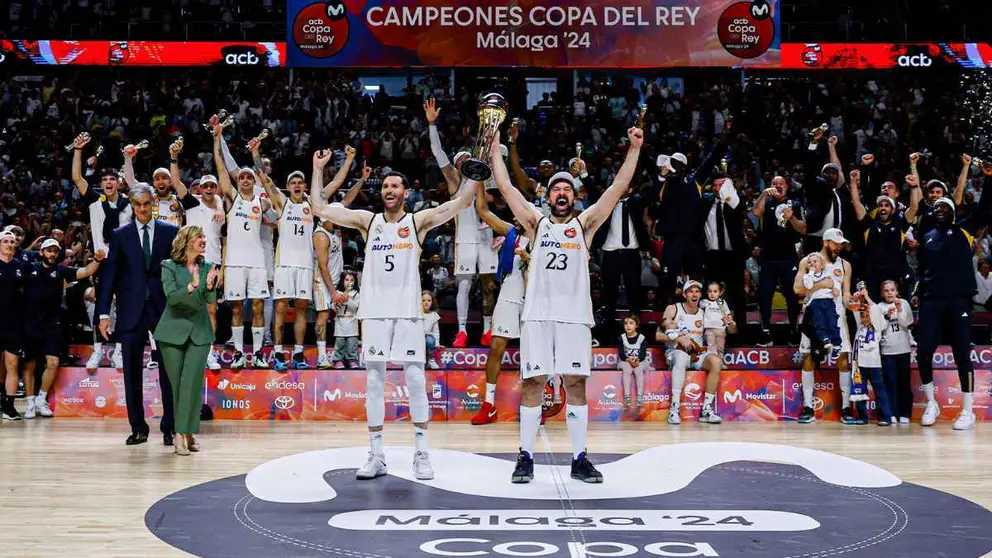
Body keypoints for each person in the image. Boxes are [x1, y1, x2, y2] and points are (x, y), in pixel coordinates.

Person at [310, 147, 479, 481]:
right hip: (374, 314)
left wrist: (474, 174)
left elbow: (461, 203)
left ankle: (421, 454)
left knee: (415, 380)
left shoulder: (418, 221)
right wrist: (318, 170)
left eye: (395, 187)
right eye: (385, 186)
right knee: (374, 382)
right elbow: (317, 207)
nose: (389, 191)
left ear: (406, 192)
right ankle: (376, 455)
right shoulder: (366, 221)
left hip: (407, 314)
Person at [492, 125, 643, 484]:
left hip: (575, 318)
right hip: (538, 317)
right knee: (533, 384)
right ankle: (525, 456)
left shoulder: (585, 225)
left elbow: (616, 189)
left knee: (575, 385)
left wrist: (635, 149)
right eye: (556, 188)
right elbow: (507, 189)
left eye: (567, 189)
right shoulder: (536, 223)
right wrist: (496, 150)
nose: (562, 192)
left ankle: (579, 458)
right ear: (548, 196)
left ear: (574, 197)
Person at [98, 182, 179, 446]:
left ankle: (170, 427)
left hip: (163, 309)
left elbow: (179, 273)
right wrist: (103, 314)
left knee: (169, 370)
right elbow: (109, 276)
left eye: (146, 203)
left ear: (153, 203)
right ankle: (138, 428)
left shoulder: (171, 232)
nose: (142, 209)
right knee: (132, 371)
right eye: (137, 204)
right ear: (131, 205)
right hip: (130, 310)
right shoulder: (120, 235)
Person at [425, 98, 497, 347]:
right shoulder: (455, 182)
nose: (462, 164)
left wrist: (490, 128)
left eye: (467, 160)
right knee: (464, 286)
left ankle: (489, 330)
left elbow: (496, 203)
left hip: (487, 236)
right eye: (459, 161)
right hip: (465, 237)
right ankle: (462, 331)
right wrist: (432, 125)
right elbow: (438, 153)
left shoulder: (485, 183)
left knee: (489, 284)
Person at [154, 225, 219, 455]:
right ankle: (184, 434)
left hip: (199, 333)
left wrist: (210, 285)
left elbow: (209, 299)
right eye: (199, 237)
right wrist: (192, 285)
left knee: (191, 384)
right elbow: (172, 298)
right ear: (187, 241)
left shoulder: (208, 267)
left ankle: (184, 434)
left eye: (204, 236)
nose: (204, 240)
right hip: (172, 333)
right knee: (178, 386)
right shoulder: (168, 266)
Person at [914, 197, 978, 430]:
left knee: (962, 352)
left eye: (944, 206)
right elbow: (922, 269)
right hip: (932, 301)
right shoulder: (927, 236)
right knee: (923, 351)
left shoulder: (964, 232)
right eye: (936, 206)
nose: (938, 209)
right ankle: (932, 403)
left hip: (958, 300)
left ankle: (968, 411)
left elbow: (985, 209)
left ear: (953, 212)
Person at [212, 121, 271, 369]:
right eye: (243, 176)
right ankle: (238, 353)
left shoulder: (262, 201)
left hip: (256, 261)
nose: (246, 179)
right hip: (235, 262)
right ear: (238, 181)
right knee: (236, 308)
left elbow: (266, 180)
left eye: (250, 176)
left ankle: (257, 354)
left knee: (257, 305)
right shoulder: (232, 198)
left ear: (254, 181)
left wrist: (256, 157)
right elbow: (221, 167)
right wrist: (217, 138)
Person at [24, 239, 104, 418]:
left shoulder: (61, 271)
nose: (52, 254)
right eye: (49, 251)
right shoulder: (29, 268)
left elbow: (85, 272)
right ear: (42, 252)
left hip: (53, 323)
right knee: (30, 365)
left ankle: (41, 400)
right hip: (30, 323)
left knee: (53, 362)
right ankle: (30, 402)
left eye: (55, 251)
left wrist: (97, 260)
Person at [470, 184, 529, 424]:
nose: (516, 215)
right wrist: (480, 180)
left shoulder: (544, 235)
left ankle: (531, 404)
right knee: (496, 347)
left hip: (533, 297)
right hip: (509, 291)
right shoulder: (510, 231)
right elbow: (483, 210)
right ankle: (489, 405)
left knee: (532, 353)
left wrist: (530, 259)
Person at [71, 133, 130, 371]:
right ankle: (97, 352)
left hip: (125, 264)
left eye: (112, 179)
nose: (108, 182)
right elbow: (76, 177)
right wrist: (77, 150)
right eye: (104, 178)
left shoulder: (130, 205)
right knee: (99, 306)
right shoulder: (96, 201)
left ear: (119, 182)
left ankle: (119, 352)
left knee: (125, 308)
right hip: (103, 262)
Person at [258, 143, 315, 370]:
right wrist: (255, 153)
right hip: (283, 265)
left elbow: (333, 188)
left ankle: (299, 354)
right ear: (288, 187)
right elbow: (264, 179)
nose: (297, 185)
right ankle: (279, 354)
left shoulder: (312, 204)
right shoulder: (282, 203)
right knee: (280, 309)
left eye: (300, 182)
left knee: (301, 310)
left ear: (305, 186)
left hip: (305, 265)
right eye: (293, 183)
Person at [169, 141, 226, 370]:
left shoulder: (223, 211)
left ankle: (209, 352)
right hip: (190, 265)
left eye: (213, 186)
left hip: (212, 266)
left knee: (211, 310)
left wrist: (222, 269)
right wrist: (173, 157)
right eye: (206, 186)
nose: (210, 189)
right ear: (200, 190)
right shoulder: (192, 204)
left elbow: (224, 241)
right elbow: (175, 181)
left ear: (216, 189)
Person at [792, 228, 854, 425]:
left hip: (836, 317)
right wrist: (822, 285)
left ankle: (846, 408)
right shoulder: (808, 261)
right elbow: (797, 289)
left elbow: (845, 294)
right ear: (826, 242)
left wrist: (854, 302)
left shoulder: (845, 265)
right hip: (814, 316)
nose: (839, 247)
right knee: (809, 358)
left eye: (841, 244)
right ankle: (808, 406)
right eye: (836, 244)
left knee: (843, 360)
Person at [848, 163, 922, 301]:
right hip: (872, 277)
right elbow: (857, 203)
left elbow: (914, 207)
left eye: (887, 205)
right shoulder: (868, 224)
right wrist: (853, 182)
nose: (883, 208)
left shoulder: (900, 225)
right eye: (880, 205)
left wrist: (913, 187)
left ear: (893, 210)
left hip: (894, 277)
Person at [657, 280, 725, 425]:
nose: (695, 294)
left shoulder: (705, 311)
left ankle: (706, 410)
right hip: (676, 352)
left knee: (716, 362)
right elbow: (658, 335)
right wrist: (679, 338)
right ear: (684, 294)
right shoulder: (673, 308)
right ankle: (674, 409)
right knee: (681, 357)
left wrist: (730, 323)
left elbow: (728, 330)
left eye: (697, 291)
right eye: (691, 291)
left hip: (697, 354)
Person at [752, 176, 805, 345]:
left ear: (787, 187)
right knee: (765, 296)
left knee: (791, 295)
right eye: (774, 184)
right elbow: (756, 212)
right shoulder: (766, 202)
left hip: (788, 257)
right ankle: (765, 332)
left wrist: (791, 218)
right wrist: (762, 194)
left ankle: (794, 332)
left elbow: (803, 228)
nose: (777, 186)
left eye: (781, 183)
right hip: (767, 257)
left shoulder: (795, 205)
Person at [848, 287, 891, 426]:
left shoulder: (878, 326)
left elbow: (876, 310)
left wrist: (866, 297)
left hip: (874, 365)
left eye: (867, 315)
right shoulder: (859, 326)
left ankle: (885, 417)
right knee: (860, 392)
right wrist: (858, 299)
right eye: (862, 316)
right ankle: (862, 417)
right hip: (859, 365)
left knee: (880, 392)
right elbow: (855, 309)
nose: (864, 318)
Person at [878, 280, 913, 424]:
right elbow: (879, 327)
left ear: (897, 291)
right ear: (882, 294)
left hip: (903, 349)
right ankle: (890, 412)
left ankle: (904, 413)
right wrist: (887, 316)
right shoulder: (879, 307)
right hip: (887, 351)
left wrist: (899, 310)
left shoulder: (903, 303)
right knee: (889, 383)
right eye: (886, 290)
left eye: (892, 290)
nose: (890, 293)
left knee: (904, 382)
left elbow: (906, 323)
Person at [0, 230, 25, 420]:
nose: (9, 244)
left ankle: (9, 407)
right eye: (5, 241)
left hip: (14, 323)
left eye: (12, 241)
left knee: (13, 364)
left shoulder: (20, 266)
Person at [800, 252, 842, 360]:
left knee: (832, 321)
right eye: (809, 262)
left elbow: (835, 283)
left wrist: (836, 289)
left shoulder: (828, 274)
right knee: (819, 322)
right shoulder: (807, 276)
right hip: (816, 302)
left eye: (815, 261)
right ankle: (825, 339)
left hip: (828, 301)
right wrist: (811, 273)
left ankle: (837, 344)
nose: (812, 264)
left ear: (822, 265)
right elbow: (808, 286)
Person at [618, 314, 648, 408]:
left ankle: (639, 396)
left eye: (631, 323)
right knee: (627, 369)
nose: (628, 325)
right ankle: (627, 396)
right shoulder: (621, 337)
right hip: (625, 360)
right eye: (626, 323)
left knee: (638, 370)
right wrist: (629, 360)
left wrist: (637, 361)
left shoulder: (642, 338)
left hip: (639, 360)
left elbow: (643, 354)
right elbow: (621, 354)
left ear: (636, 325)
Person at [700, 281, 737, 356]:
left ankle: (720, 362)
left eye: (715, 291)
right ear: (707, 292)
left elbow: (727, 313)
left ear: (720, 293)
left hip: (720, 329)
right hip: (709, 329)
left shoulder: (722, 302)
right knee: (711, 348)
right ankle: (713, 363)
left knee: (720, 347)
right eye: (710, 291)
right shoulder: (704, 302)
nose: (712, 293)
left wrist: (730, 321)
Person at [332, 271, 360, 369]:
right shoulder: (337, 293)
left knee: (352, 343)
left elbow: (356, 306)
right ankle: (338, 360)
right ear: (342, 281)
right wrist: (340, 300)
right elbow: (335, 307)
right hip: (340, 322)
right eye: (347, 280)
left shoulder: (356, 294)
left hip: (352, 322)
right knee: (340, 343)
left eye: (352, 280)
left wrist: (348, 300)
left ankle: (352, 360)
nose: (349, 282)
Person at [422, 291, 441, 369]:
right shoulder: (417, 313)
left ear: (432, 302)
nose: (426, 303)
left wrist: (437, 343)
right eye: (423, 300)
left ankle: (431, 360)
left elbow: (436, 331)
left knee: (430, 340)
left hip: (428, 337)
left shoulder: (434, 315)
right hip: (417, 336)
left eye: (429, 301)